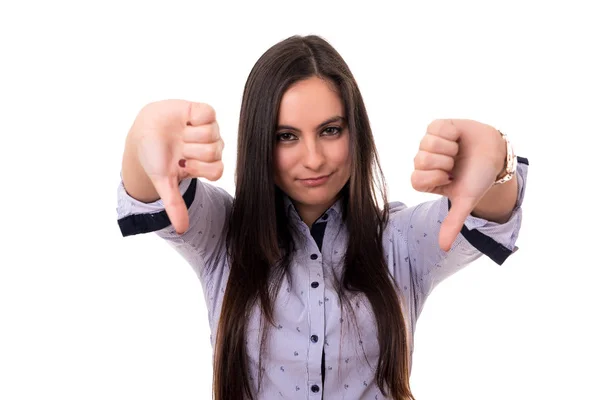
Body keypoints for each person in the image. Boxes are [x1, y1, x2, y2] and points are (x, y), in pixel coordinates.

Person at [116, 34, 528, 400]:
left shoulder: (398, 241)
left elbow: (483, 216)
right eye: (286, 136)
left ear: (356, 132)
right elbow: (155, 195)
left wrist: (496, 161)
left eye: (330, 130)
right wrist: (140, 137)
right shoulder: (225, 233)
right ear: (260, 142)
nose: (313, 159)